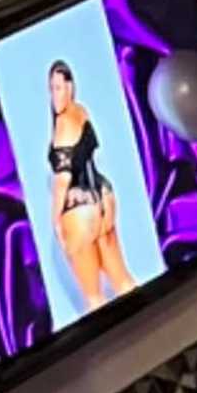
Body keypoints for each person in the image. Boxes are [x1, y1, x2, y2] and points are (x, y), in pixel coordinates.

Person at [37, 55, 136, 308]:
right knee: (124, 282)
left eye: (59, 87)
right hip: (104, 198)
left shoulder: (63, 124)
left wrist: (55, 222)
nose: (55, 95)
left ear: (70, 87)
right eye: (52, 89)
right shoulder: (81, 112)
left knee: (94, 300)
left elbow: (63, 180)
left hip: (78, 210)